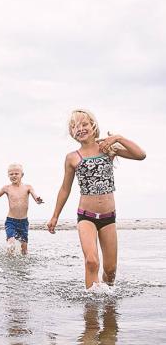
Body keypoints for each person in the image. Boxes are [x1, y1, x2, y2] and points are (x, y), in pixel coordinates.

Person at [47, 109, 146, 289]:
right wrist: (55, 216)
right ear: (72, 133)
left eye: (84, 124)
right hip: (86, 216)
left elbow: (141, 155)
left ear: (93, 126)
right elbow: (65, 189)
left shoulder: (107, 149)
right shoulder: (72, 158)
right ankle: (91, 307)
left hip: (108, 217)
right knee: (91, 261)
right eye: (75, 126)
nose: (80, 128)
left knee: (111, 269)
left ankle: (108, 304)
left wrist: (118, 138)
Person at [0, 163, 44, 255]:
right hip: (11, 221)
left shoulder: (28, 187)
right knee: (11, 243)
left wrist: (38, 200)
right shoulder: (6, 188)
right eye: (11, 174)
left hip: (23, 222)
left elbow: (36, 198)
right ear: (8, 175)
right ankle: (9, 262)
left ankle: (23, 265)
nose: (13, 176)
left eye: (16, 173)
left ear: (22, 175)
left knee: (24, 249)